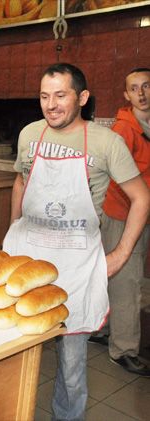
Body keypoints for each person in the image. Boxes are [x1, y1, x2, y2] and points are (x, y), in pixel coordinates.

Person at [2, 63, 150, 420]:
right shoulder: (29, 134)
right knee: (12, 347)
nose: (51, 105)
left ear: (82, 98)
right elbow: (21, 181)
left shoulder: (106, 142)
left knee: (71, 363)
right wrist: (12, 232)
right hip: (28, 258)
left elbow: (141, 198)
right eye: (44, 96)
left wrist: (120, 254)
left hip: (76, 265)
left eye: (60, 95)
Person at [96, 67, 150, 376]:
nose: (141, 93)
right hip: (122, 215)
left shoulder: (145, 126)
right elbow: (117, 180)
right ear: (126, 95)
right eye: (134, 88)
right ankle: (124, 350)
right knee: (127, 282)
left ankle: (101, 330)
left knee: (113, 277)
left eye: (147, 86)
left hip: (139, 214)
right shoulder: (123, 130)